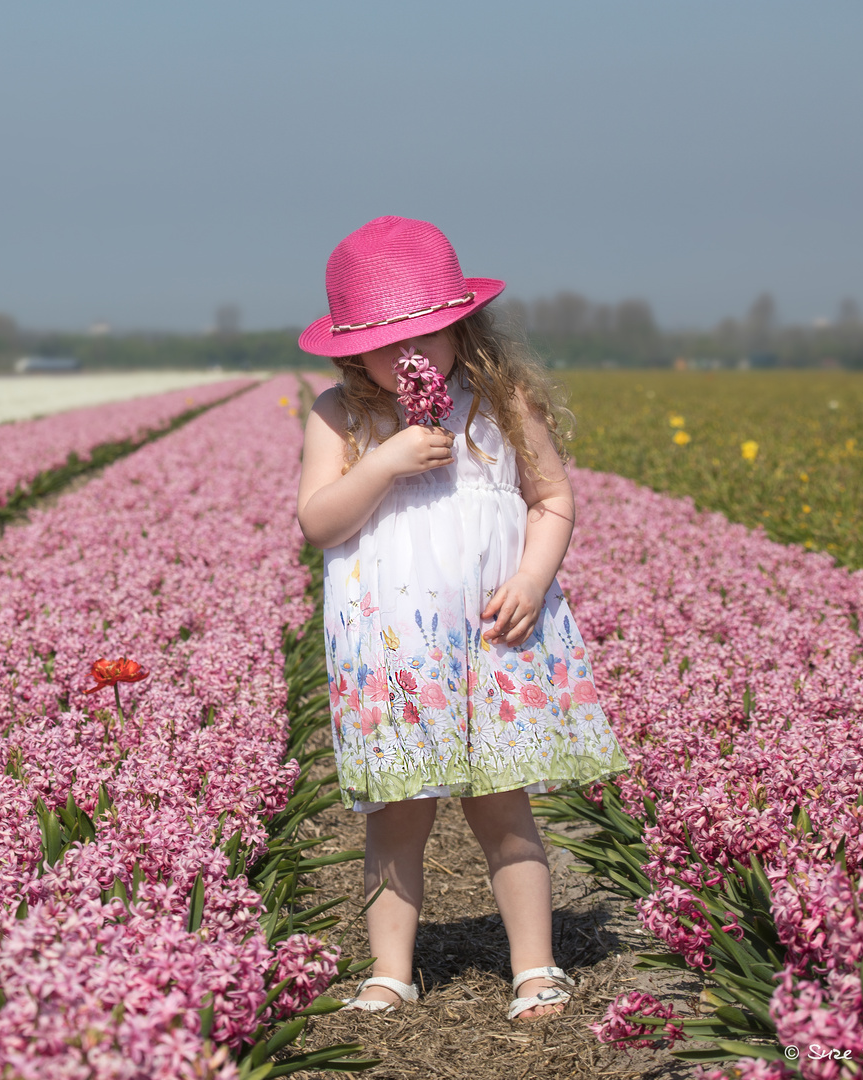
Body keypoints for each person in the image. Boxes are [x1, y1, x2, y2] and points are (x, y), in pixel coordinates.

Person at [294, 217, 629, 1022]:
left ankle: (536, 964)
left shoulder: (499, 400)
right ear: (346, 348)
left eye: (424, 335)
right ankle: (390, 970)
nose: (405, 355)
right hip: (395, 650)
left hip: (493, 638)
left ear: (458, 327)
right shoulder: (340, 416)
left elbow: (552, 500)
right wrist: (384, 461)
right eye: (382, 343)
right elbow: (318, 522)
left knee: (504, 810)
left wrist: (531, 576)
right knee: (398, 816)